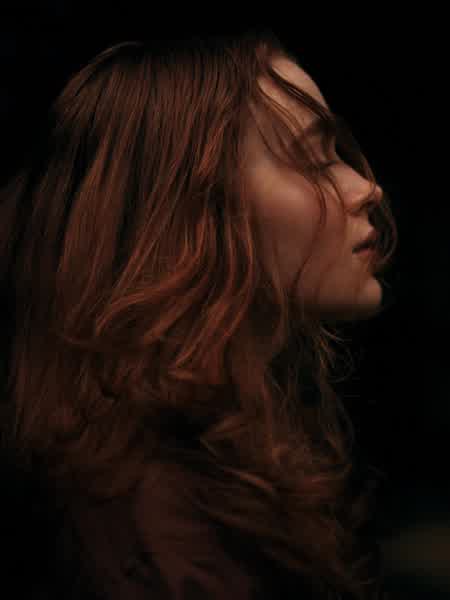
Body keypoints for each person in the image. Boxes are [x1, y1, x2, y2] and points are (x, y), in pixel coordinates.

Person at [0, 26, 397, 599]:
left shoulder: (221, 461)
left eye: (338, 154)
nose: (365, 188)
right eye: (312, 160)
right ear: (192, 212)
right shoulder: (156, 520)